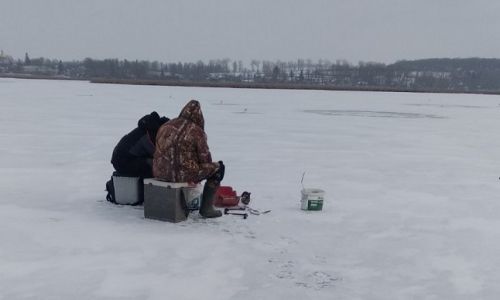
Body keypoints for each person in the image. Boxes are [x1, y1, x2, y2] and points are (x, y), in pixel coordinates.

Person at [153, 100, 225, 218]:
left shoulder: (166, 125)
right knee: (218, 168)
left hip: (160, 172)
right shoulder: (196, 131)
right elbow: (205, 160)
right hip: (181, 175)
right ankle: (207, 209)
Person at [111, 111, 169, 178]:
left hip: (127, 157)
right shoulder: (149, 134)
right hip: (121, 160)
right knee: (155, 167)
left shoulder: (148, 129)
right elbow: (156, 153)